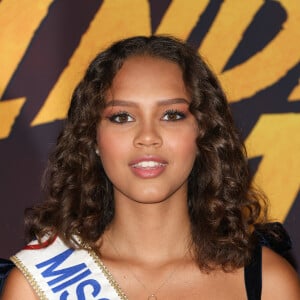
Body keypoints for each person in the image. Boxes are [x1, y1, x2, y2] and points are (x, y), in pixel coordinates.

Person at [1, 35, 299, 299]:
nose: (147, 137)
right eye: (122, 117)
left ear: (204, 133)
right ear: (92, 137)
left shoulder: (267, 284)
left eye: (171, 115)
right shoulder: (34, 289)